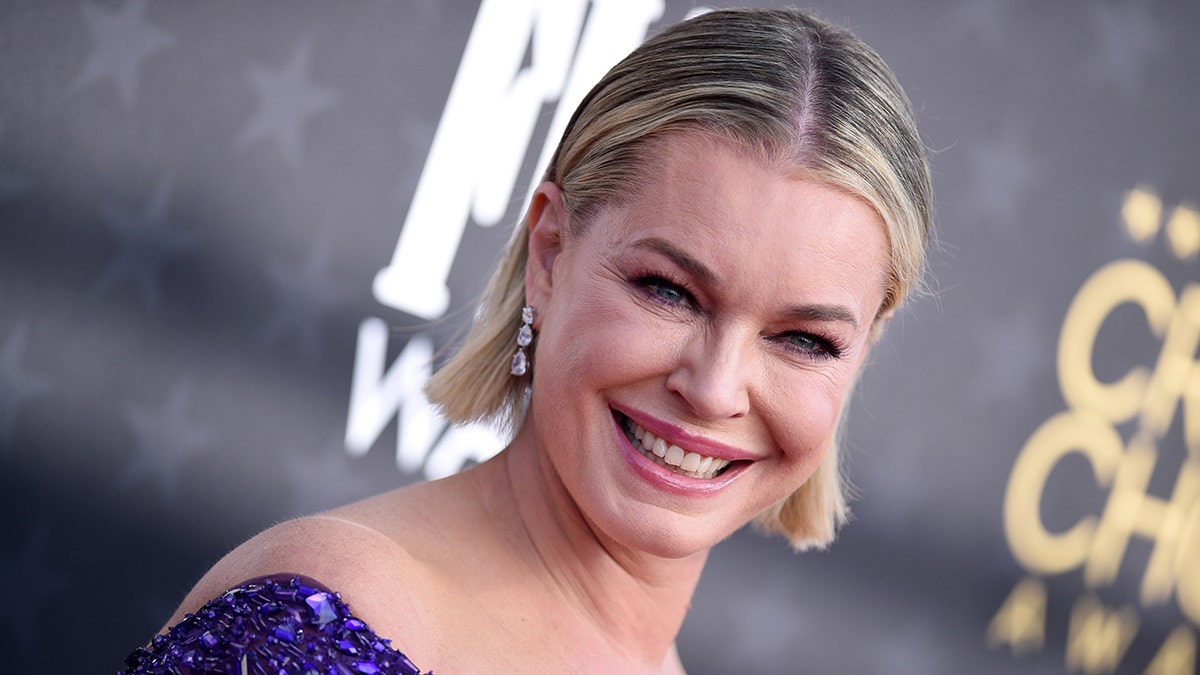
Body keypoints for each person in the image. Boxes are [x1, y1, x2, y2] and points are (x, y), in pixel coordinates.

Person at [123, 7, 932, 674]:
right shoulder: (335, 608)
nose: (716, 387)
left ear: (863, 349)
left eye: (804, 340)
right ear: (550, 252)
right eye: (669, 291)